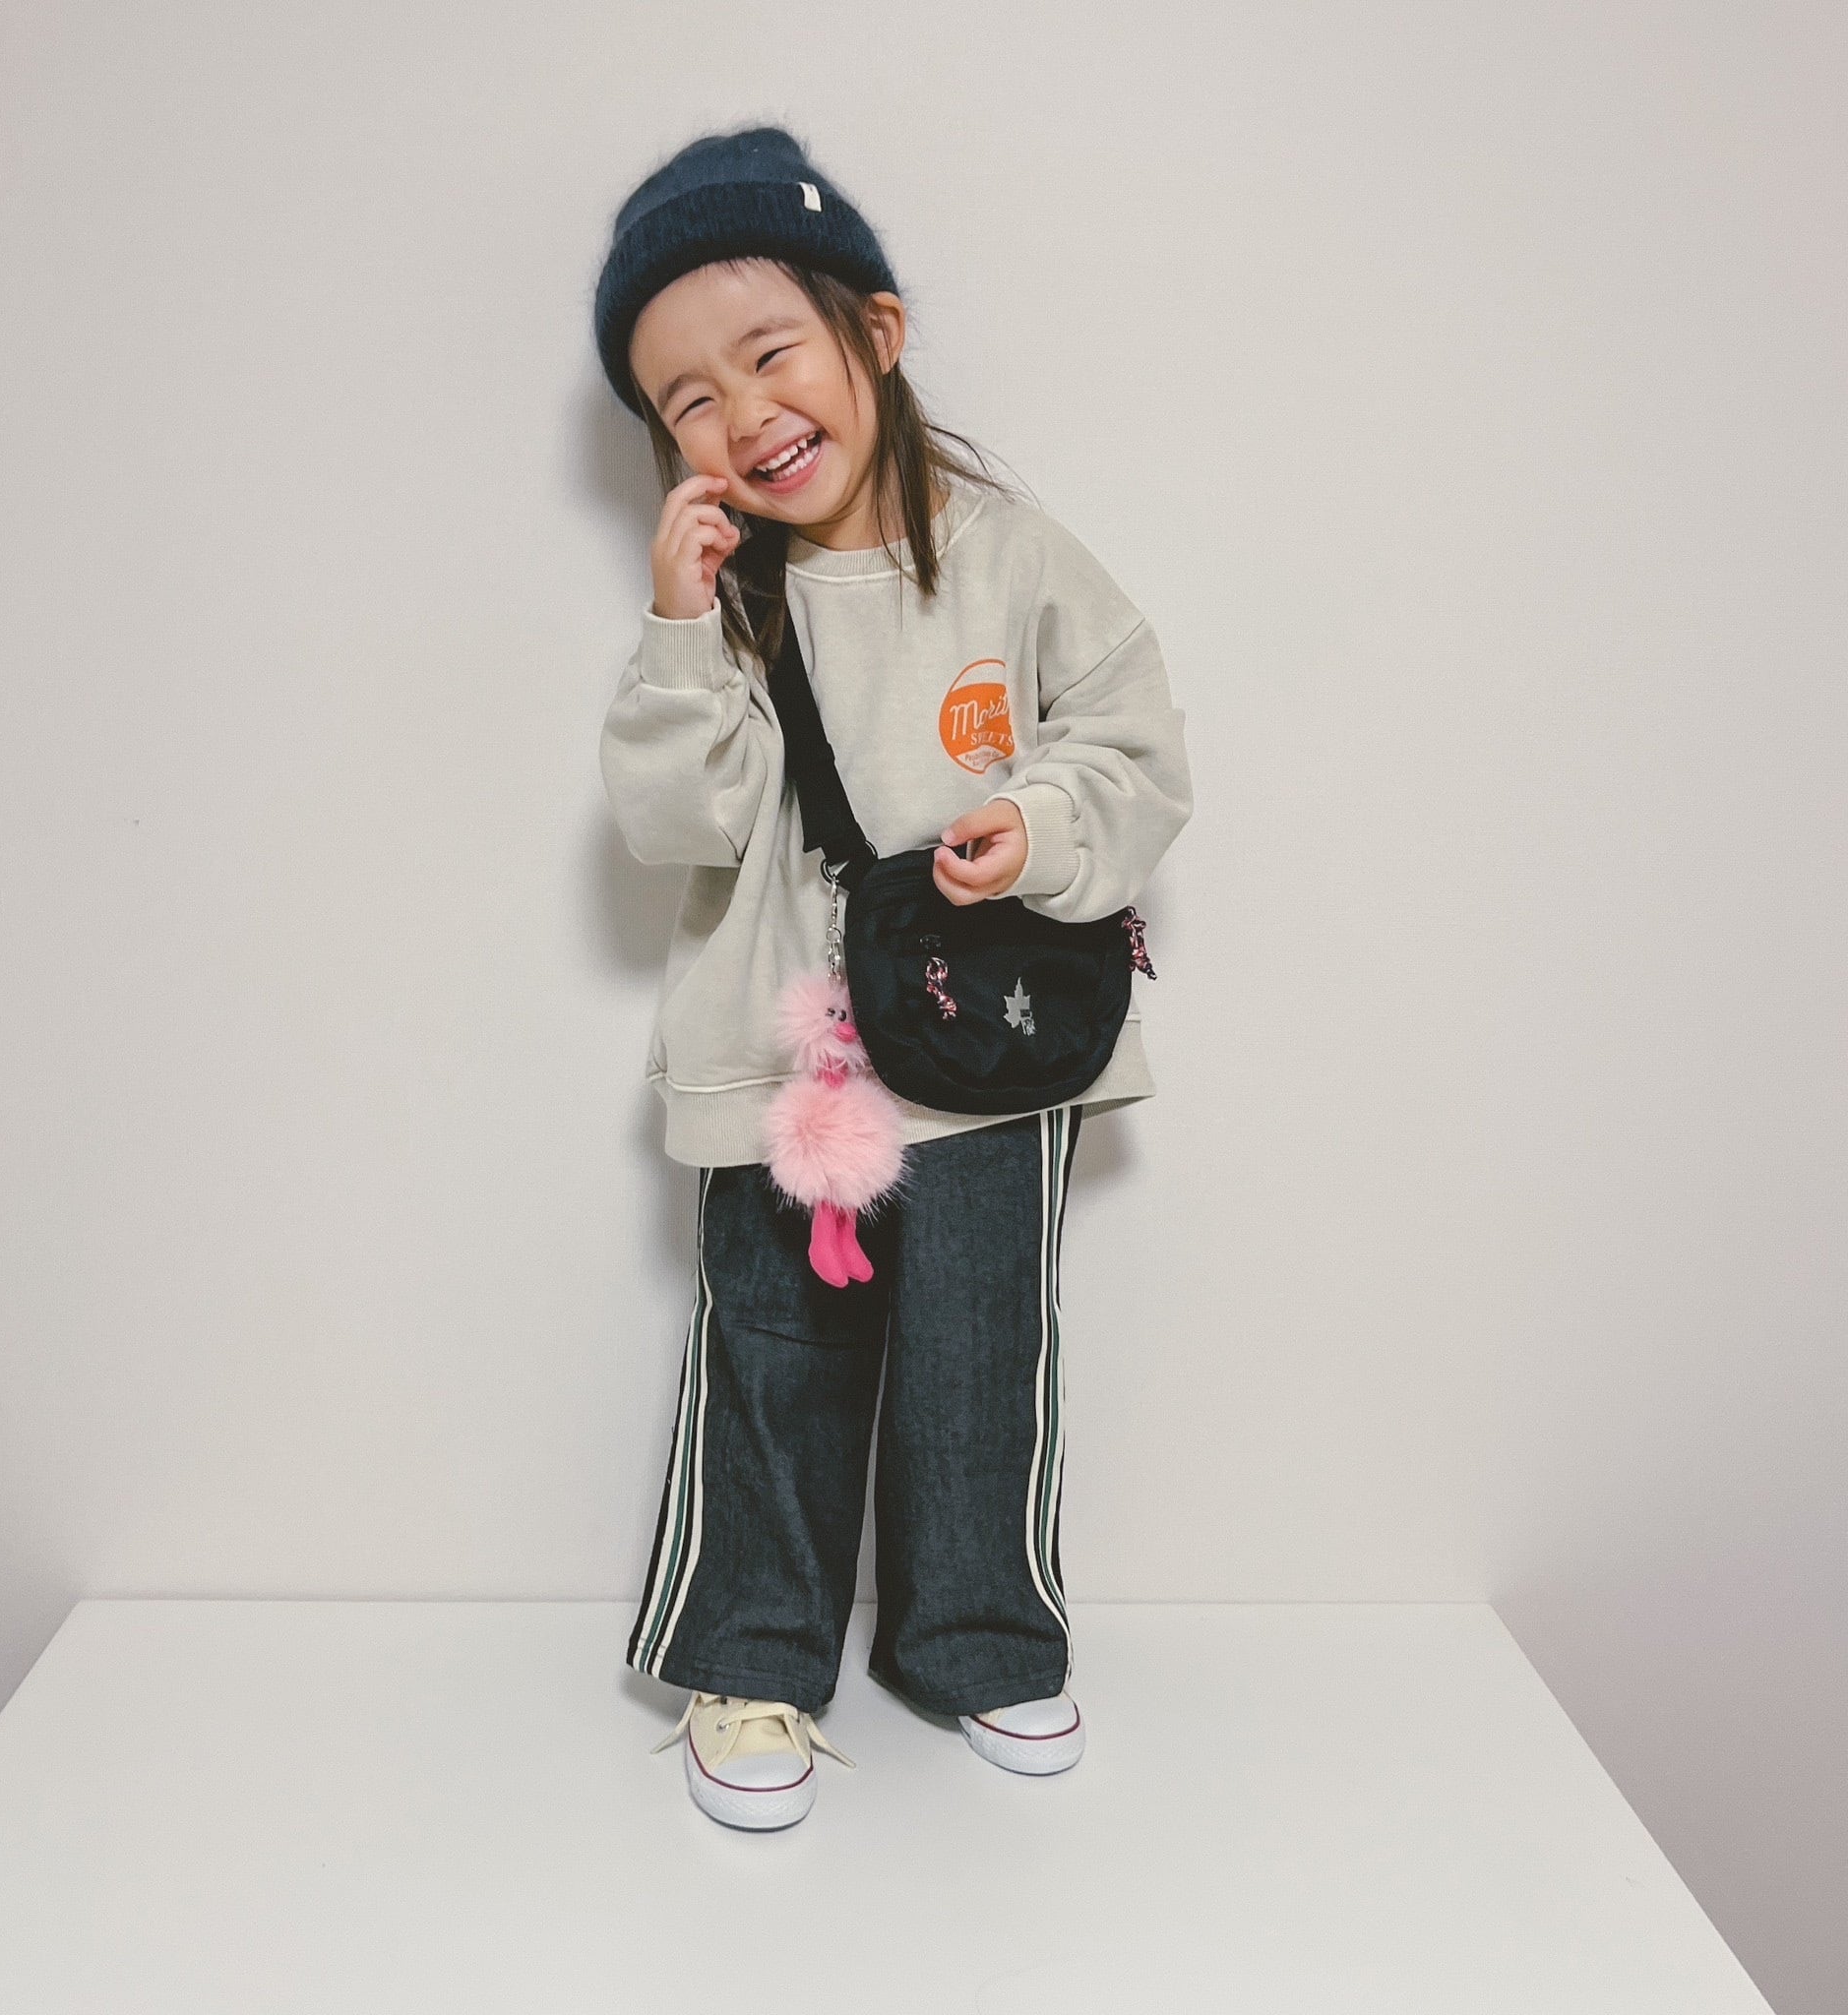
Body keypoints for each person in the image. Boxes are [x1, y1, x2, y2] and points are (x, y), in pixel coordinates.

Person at [592, 125, 1195, 1831]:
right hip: (788, 1062)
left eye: (769, 352)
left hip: (988, 1053)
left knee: (978, 1357)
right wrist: (678, 629)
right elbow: (676, 823)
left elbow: (1137, 744)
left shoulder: (1011, 556)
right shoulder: (724, 600)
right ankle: (754, 1659)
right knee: (774, 1354)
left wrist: (1039, 824)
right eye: (688, 398)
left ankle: (981, 1639)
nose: (744, 413)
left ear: (877, 330)